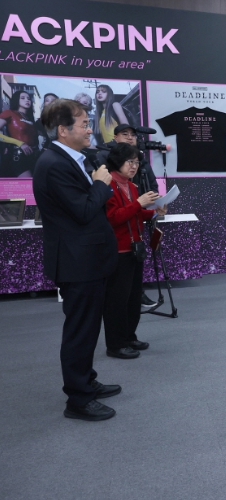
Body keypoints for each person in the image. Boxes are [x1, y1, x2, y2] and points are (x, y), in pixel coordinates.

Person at [32, 98, 120, 421]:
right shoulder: (54, 165)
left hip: (87, 260)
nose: (89, 130)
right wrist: (101, 184)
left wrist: (97, 184)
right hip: (77, 262)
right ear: (63, 130)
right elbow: (83, 210)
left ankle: (87, 381)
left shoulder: (69, 159)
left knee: (87, 327)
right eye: (83, 124)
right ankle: (78, 399)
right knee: (79, 331)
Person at [103, 143, 166, 359]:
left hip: (135, 249)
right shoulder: (108, 185)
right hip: (118, 251)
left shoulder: (132, 186)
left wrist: (155, 212)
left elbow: (135, 215)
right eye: (130, 162)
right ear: (117, 162)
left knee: (132, 298)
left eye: (137, 162)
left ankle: (129, 337)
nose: (134, 166)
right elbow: (113, 218)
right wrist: (139, 204)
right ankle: (115, 344)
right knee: (117, 300)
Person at [0, 90, 40, 177]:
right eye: (22, 98)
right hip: (17, 156)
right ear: (16, 100)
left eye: (28, 98)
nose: (27, 100)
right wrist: (19, 143)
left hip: (33, 157)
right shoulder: (9, 113)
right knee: (28, 184)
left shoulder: (30, 119)